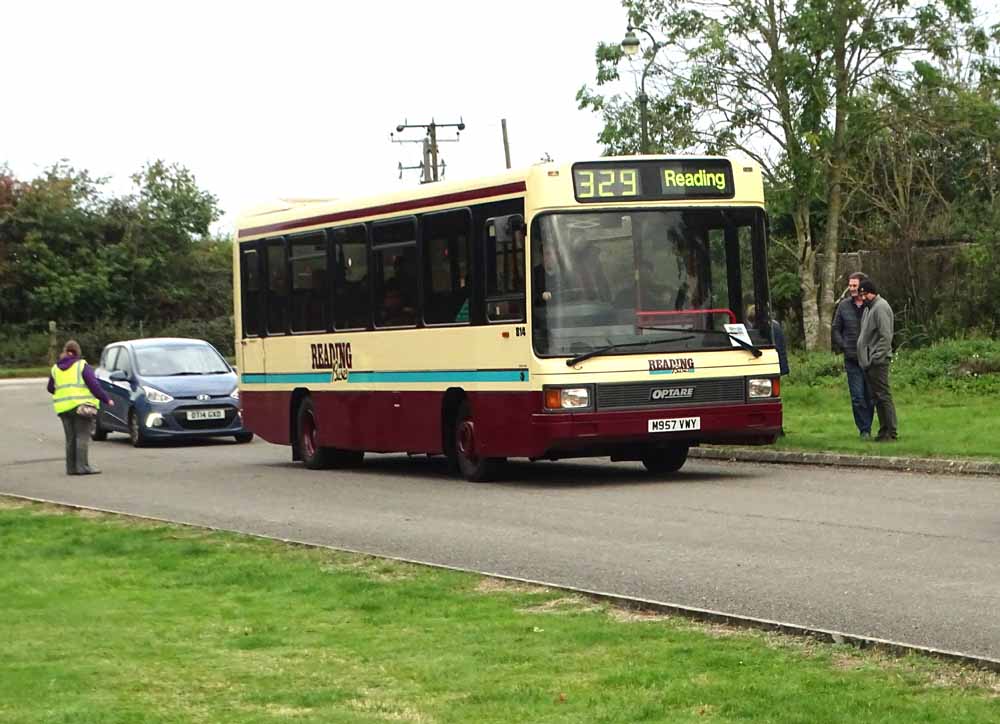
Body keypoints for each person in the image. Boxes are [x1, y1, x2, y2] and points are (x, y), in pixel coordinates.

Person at [46, 340, 114, 475]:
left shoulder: (55, 369)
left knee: (70, 438)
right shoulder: (82, 366)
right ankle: (82, 466)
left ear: (65, 351)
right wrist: (106, 399)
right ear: (77, 352)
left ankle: (71, 468)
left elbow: (50, 388)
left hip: (63, 408)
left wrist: (63, 393)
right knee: (82, 437)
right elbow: (94, 386)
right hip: (82, 407)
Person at [832, 272, 875, 439]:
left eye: (854, 286)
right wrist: (843, 345)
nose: (851, 289)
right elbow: (836, 328)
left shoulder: (871, 305)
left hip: (869, 357)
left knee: (870, 396)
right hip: (851, 358)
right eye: (850, 285)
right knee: (857, 396)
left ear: (862, 286)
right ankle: (864, 429)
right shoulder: (843, 306)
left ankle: (869, 425)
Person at [856, 279, 898, 441]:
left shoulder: (880, 308)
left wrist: (875, 357)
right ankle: (883, 430)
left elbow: (886, 336)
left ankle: (891, 431)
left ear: (872, 292)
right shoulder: (869, 309)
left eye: (864, 294)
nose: (862, 298)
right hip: (869, 362)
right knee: (877, 397)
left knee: (883, 396)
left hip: (877, 362)